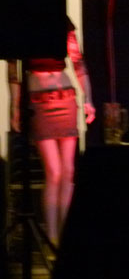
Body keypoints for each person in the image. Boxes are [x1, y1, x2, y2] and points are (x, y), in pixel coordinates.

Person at [8, 16, 96, 247]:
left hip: (65, 97)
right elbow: (13, 69)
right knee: (54, 171)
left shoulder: (60, 20)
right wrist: (15, 106)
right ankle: (52, 237)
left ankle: (64, 237)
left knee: (68, 171)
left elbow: (77, 61)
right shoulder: (22, 22)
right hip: (40, 100)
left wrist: (87, 98)